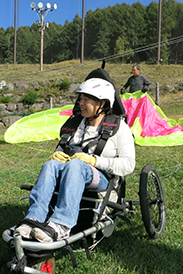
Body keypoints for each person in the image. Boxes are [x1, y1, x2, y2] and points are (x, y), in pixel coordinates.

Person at [15, 77, 135, 242]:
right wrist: (56, 155)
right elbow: (62, 149)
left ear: (102, 104)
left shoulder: (120, 129)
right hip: (73, 172)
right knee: (50, 165)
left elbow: (128, 165)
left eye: (87, 100)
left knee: (76, 165)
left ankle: (62, 224)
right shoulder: (75, 124)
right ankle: (33, 219)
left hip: (103, 181)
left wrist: (94, 161)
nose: (81, 103)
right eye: (81, 99)